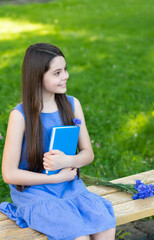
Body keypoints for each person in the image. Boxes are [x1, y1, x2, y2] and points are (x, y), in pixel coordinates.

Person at [0, 43, 116, 240]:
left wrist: (67, 162)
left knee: (105, 226)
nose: (66, 76)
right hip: (35, 193)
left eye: (65, 69)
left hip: (70, 187)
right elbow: (9, 174)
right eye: (57, 73)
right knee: (79, 237)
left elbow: (88, 153)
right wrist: (54, 178)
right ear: (37, 77)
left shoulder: (72, 104)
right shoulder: (20, 116)